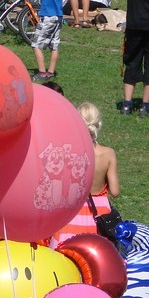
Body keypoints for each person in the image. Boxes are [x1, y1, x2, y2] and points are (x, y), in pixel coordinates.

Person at [52, 102, 120, 246]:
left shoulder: (68, 153)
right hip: (99, 215)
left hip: (72, 213)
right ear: (98, 124)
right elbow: (115, 191)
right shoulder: (108, 154)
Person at [28, 0, 66, 80]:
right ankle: (51, 72)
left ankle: (42, 72)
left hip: (47, 16)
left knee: (36, 44)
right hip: (58, 16)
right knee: (54, 45)